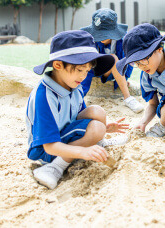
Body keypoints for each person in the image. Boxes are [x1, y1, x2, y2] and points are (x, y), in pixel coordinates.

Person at [26, 30, 129, 189]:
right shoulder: (44, 96)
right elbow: (48, 146)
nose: (83, 76)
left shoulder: (74, 85)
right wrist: (83, 152)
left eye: (87, 71)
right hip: (48, 151)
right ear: (58, 65)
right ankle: (55, 167)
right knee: (95, 128)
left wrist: (104, 129)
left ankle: (100, 143)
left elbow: (81, 118)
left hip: (65, 135)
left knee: (97, 112)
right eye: (80, 70)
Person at [80, 8, 144, 113]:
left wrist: (125, 78)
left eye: (105, 33)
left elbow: (129, 62)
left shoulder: (124, 40)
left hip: (114, 71)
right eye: (99, 33)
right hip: (93, 69)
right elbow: (85, 63)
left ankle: (128, 98)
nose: (102, 37)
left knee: (113, 58)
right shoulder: (89, 40)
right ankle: (78, 98)